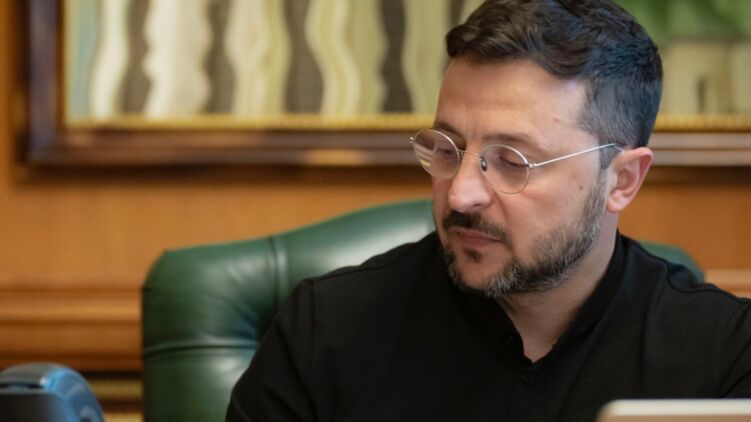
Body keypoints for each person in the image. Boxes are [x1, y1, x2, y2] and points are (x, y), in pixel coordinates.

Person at [227, 0, 751, 420]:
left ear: (622, 180)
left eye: (512, 161)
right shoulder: (325, 331)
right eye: (447, 148)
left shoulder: (724, 355)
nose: (460, 195)